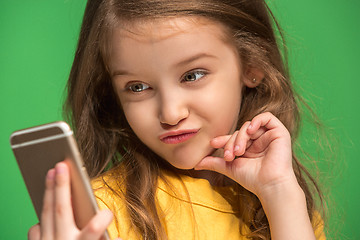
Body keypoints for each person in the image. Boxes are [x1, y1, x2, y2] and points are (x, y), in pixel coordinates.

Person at [28, 0, 326, 239]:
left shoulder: (288, 207)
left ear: (253, 64)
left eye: (192, 75)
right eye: (137, 87)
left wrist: (278, 193)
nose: (170, 114)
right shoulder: (100, 215)